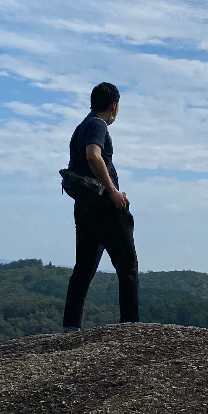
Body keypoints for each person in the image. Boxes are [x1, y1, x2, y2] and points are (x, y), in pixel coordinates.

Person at [62, 82, 138, 330]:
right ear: (114, 106)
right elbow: (93, 156)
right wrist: (113, 191)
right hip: (105, 208)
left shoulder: (81, 126)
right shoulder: (97, 124)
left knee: (83, 269)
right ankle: (129, 328)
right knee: (127, 267)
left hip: (85, 207)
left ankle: (71, 326)